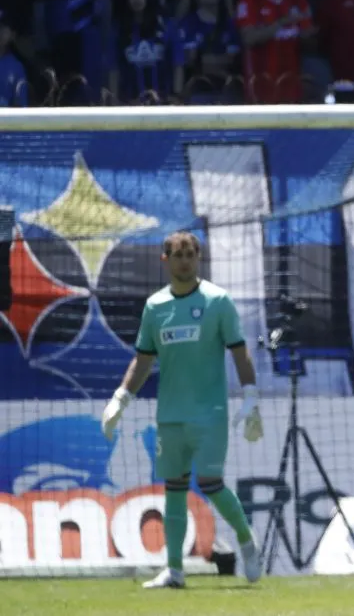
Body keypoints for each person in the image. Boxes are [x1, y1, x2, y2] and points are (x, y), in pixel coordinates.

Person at [99, 231, 265, 588]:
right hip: (170, 416)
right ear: (165, 261)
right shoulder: (155, 307)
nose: (185, 261)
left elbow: (239, 351)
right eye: (177, 255)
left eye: (190, 254)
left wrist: (251, 396)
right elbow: (143, 361)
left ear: (199, 257)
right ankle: (174, 571)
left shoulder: (218, 301)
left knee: (210, 482)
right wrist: (120, 398)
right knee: (173, 488)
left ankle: (246, 539)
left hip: (210, 413)